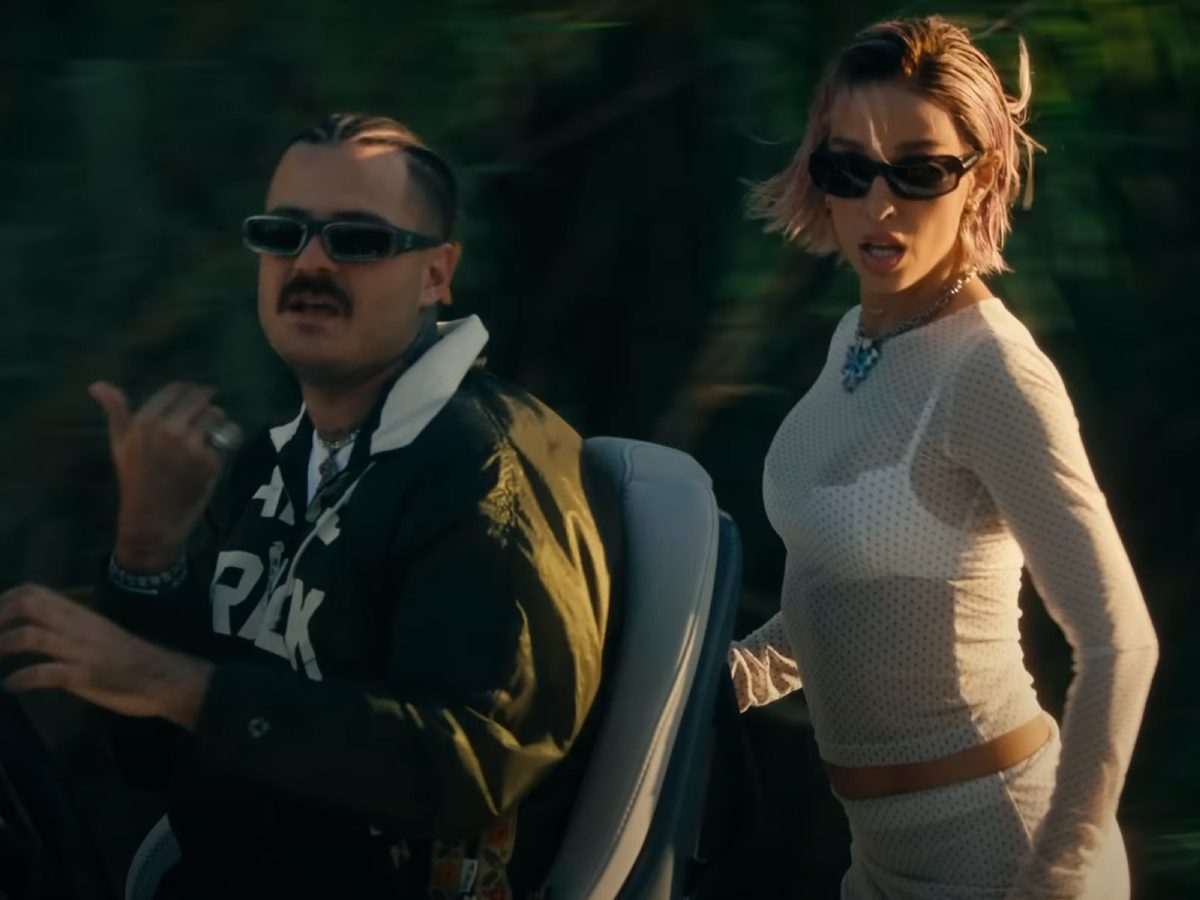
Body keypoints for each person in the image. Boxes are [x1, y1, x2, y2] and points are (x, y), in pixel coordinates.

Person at [0, 113, 622, 900]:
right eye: (282, 234)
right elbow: (154, 757)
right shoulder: (268, 464)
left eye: (357, 240)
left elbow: (470, 766)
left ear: (436, 274)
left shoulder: (488, 470)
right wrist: (146, 557)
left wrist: (180, 685)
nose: (311, 263)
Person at [728, 16, 1158, 899]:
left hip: (1005, 856)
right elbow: (844, 594)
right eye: (849, 170)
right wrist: (716, 681)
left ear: (981, 177)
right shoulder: (858, 340)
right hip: (876, 864)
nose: (879, 206)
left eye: (919, 171)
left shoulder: (993, 373)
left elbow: (1121, 642)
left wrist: (1056, 878)